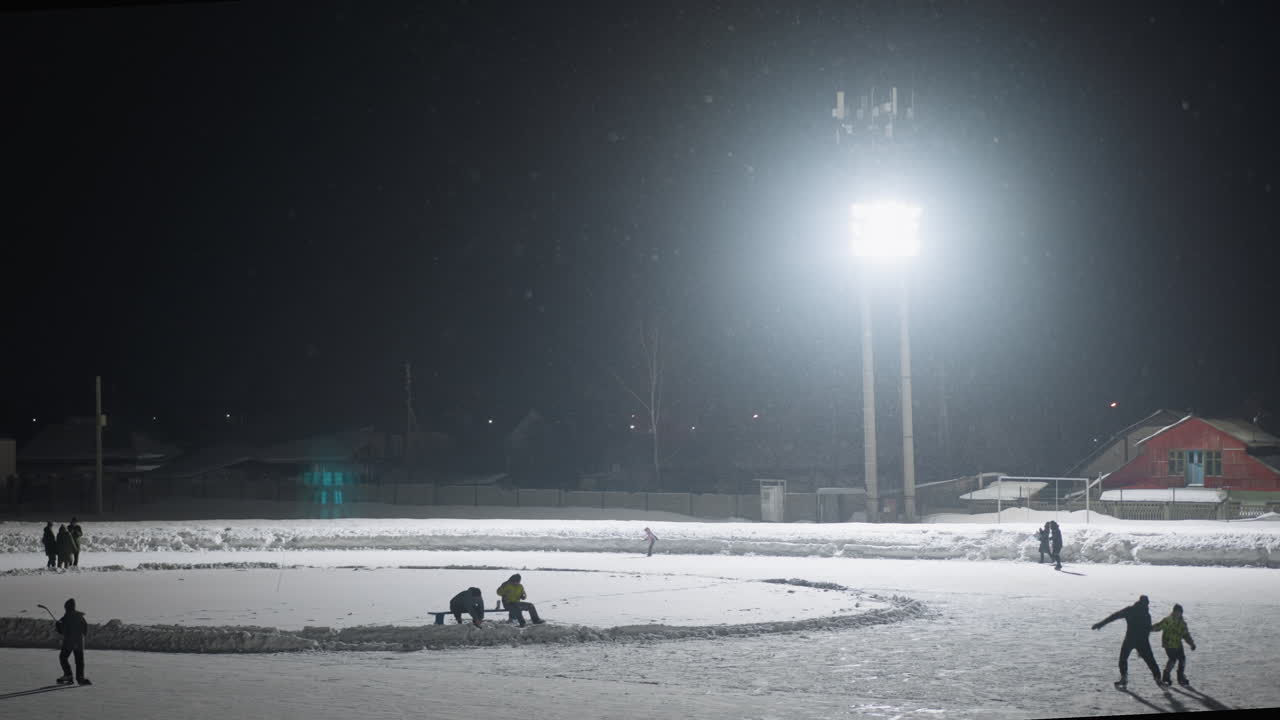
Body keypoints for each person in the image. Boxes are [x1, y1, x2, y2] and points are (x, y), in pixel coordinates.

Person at [1092, 594, 1163, 688]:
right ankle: (1157, 678)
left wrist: (1101, 624)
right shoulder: (1144, 613)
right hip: (1140, 641)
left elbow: (1114, 616)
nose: (1146, 606)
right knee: (1149, 660)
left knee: (1124, 659)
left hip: (1132, 639)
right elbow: (1147, 630)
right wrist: (1101, 624)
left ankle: (1125, 677)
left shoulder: (1131, 610)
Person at [1151, 603, 1197, 686]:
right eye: (1176, 612)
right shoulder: (1168, 620)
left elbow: (1186, 634)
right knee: (1172, 659)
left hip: (1178, 644)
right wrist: (1149, 628)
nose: (1177, 614)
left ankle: (1180, 676)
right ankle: (1166, 676)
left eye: (1179, 612)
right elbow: (1159, 626)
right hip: (1168, 644)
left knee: (1182, 659)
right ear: (1173, 611)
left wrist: (1191, 644)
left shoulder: (1182, 623)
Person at [55, 597, 91, 685]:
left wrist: (58, 626)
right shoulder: (80, 616)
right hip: (79, 642)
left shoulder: (67, 617)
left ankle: (68, 675)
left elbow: (63, 631)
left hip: (69, 642)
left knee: (63, 657)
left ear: (67, 607)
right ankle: (80, 678)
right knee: (79, 661)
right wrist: (81, 637)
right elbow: (85, 628)